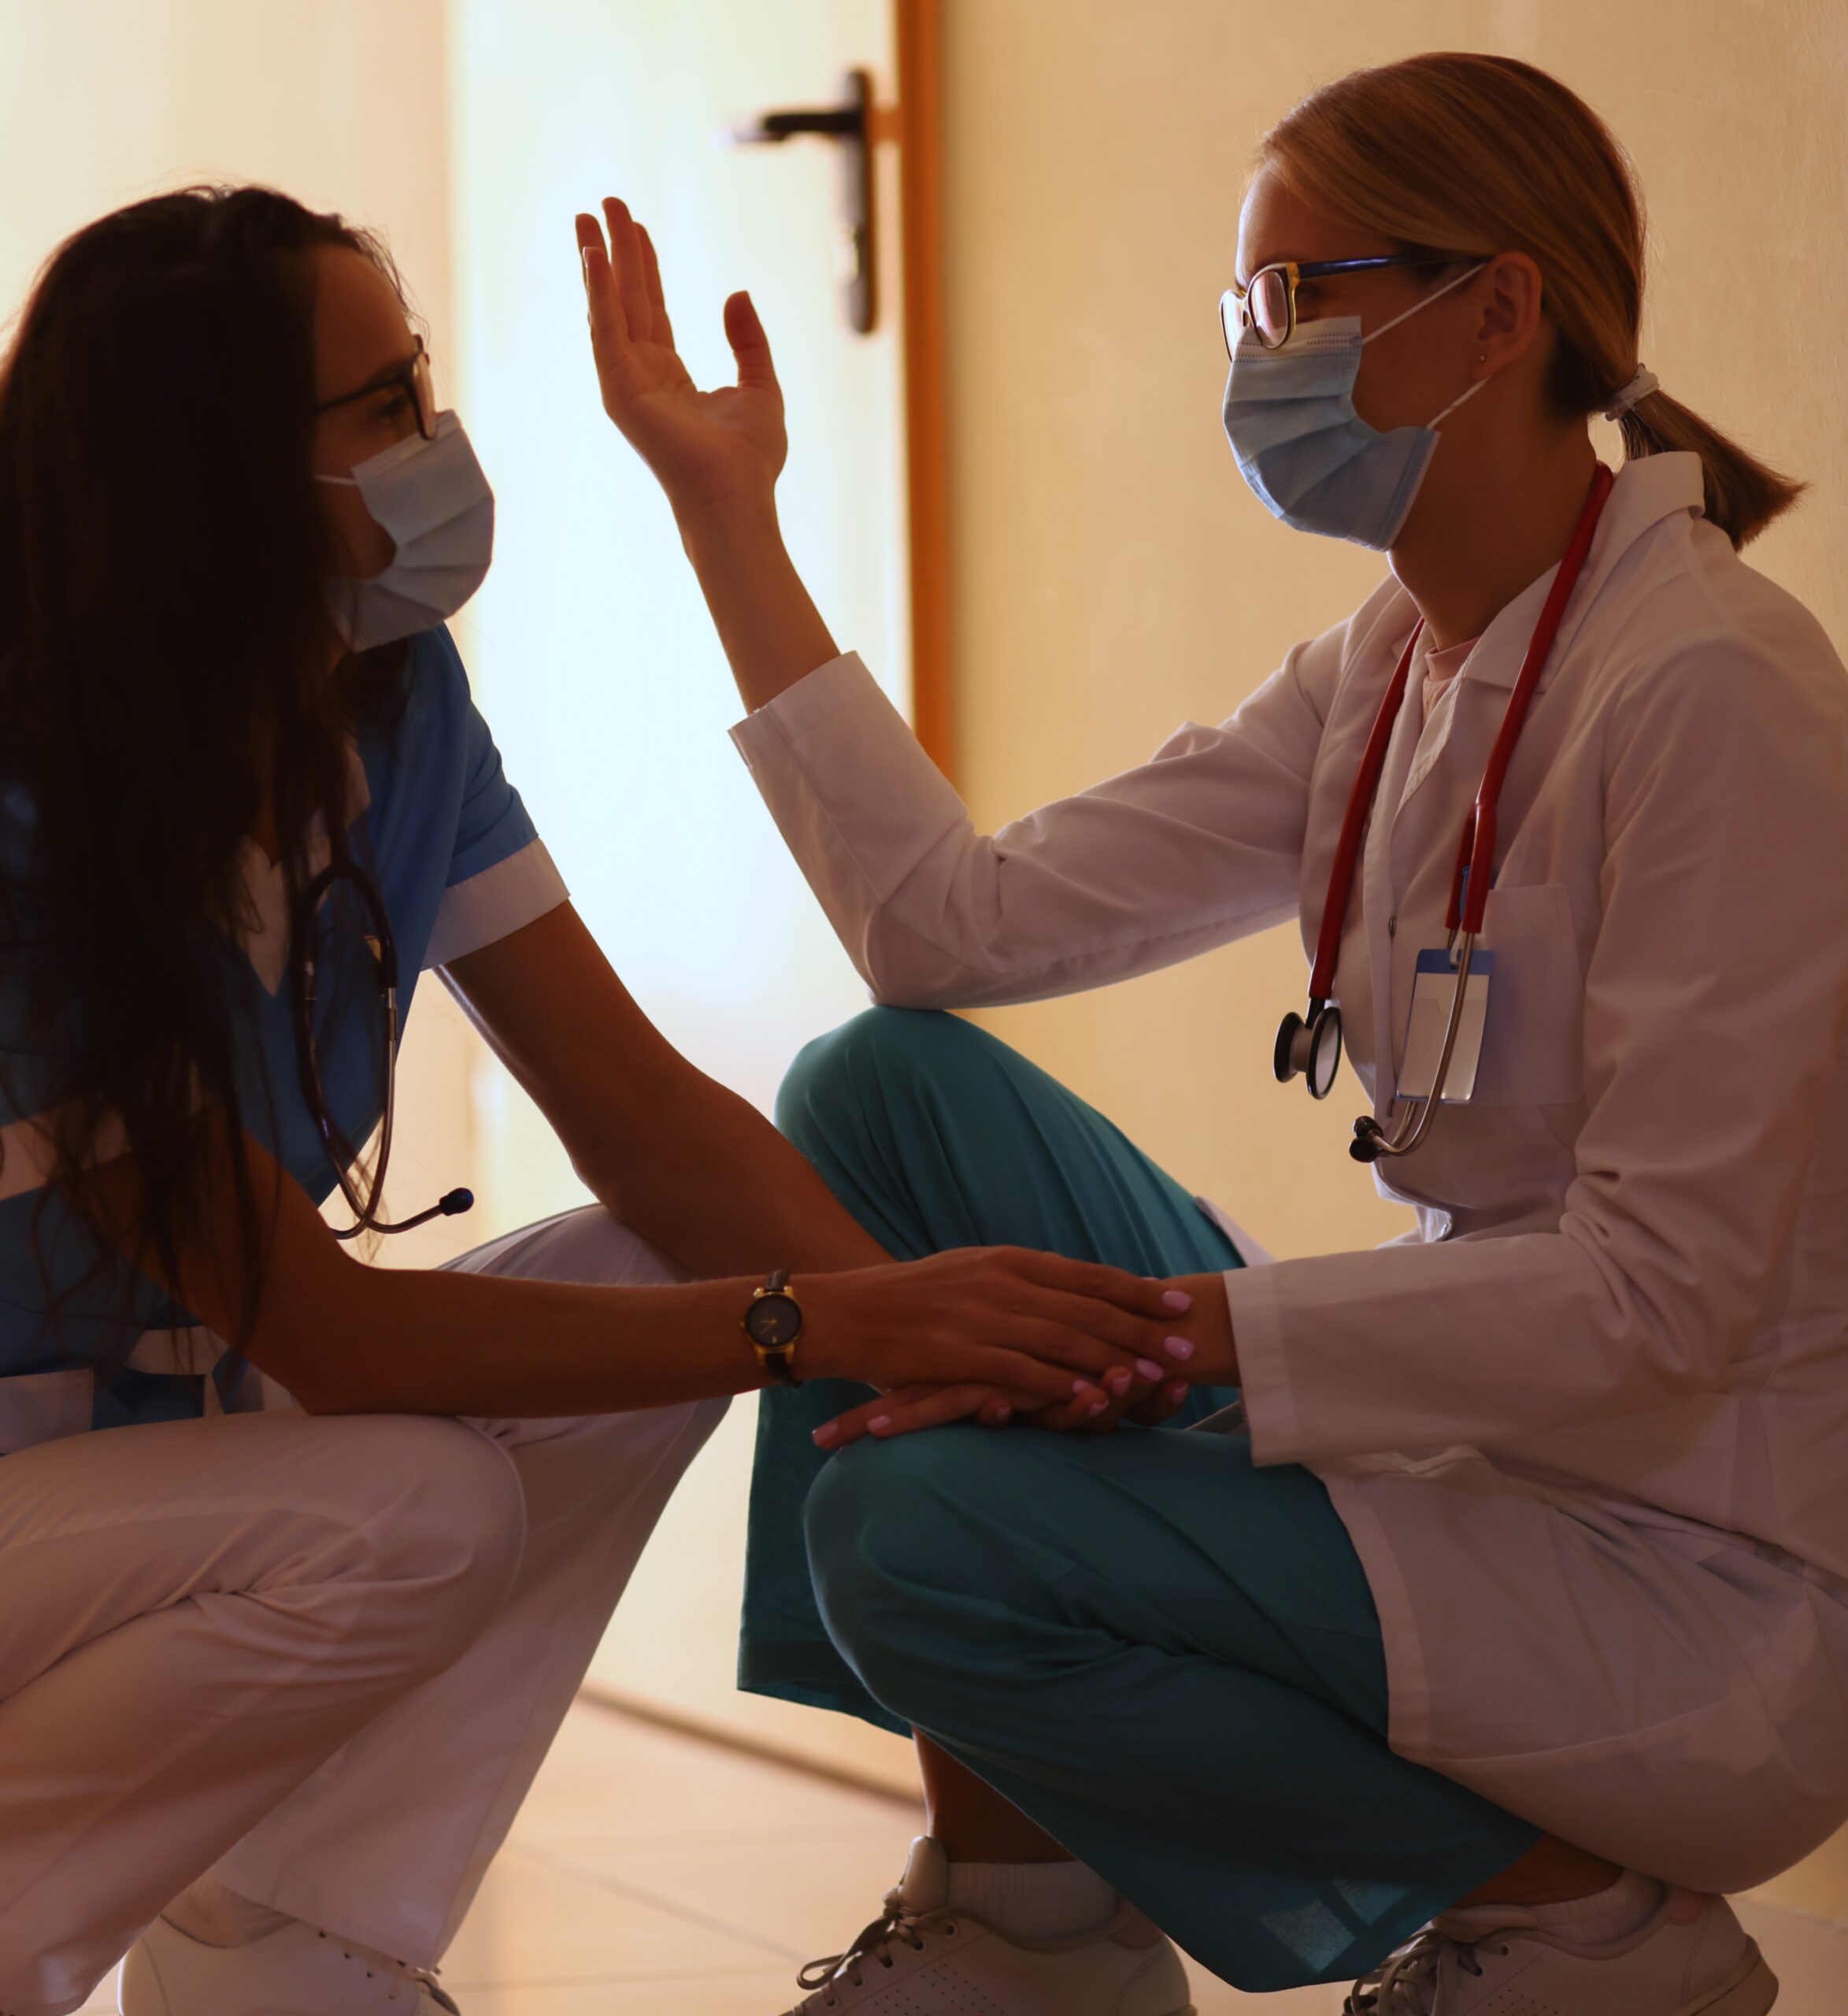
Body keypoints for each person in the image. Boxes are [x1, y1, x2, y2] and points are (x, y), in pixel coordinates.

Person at [578, 48, 1848, 2016]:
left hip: (1688, 1561)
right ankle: (1032, 1919)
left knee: (909, 1526)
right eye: (1238, 311)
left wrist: (1175, 1343)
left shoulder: (1708, 690)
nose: (1250, 359)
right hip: (1466, 1430)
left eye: (1292, 301)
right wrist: (727, 515)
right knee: (871, 1094)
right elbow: (944, 929)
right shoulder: (1387, 668)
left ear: (1496, 310)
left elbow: (1661, 1295)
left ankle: (1588, 1916)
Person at [0, 185, 1187, 2016]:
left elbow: (635, 1109)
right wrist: (831, 1315)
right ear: (214, 467)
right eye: (383, 405)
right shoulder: (26, 803)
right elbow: (322, 1323)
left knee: (653, 1267)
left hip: (160, 1448)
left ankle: (289, 1946)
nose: (438, 446)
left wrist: (939, 1355)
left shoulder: (384, 703)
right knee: (412, 1506)